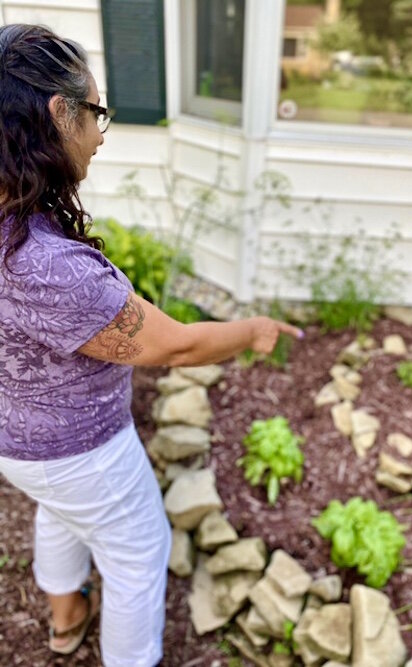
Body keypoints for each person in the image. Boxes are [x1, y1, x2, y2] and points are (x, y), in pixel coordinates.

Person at [0, 24, 303, 667]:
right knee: (138, 547)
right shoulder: (47, 267)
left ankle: (64, 619)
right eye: (97, 113)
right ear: (60, 113)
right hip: (79, 451)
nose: (101, 136)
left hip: (17, 442)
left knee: (64, 514)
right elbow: (178, 348)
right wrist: (252, 330)